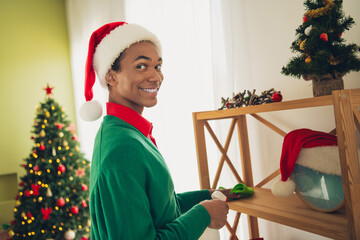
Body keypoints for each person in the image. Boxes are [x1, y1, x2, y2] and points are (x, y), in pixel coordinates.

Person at [80, 22, 240, 240]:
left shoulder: (131, 133)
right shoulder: (123, 147)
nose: (156, 77)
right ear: (111, 76)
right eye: (141, 66)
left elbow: (160, 208)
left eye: (158, 66)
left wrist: (207, 196)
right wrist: (203, 214)